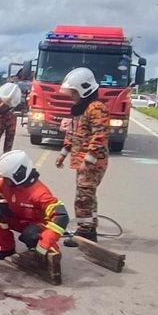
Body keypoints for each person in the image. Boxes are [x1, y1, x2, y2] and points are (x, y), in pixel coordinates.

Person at [0, 150, 68, 265]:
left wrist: (45, 243)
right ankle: (5, 249)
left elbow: (61, 216)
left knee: (30, 235)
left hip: (39, 225)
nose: (4, 180)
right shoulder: (8, 184)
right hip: (21, 219)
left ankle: (46, 253)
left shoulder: (39, 193)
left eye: (7, 178)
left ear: (18, 175)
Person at [53, 67, 110, 245]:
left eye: (74, 93)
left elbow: (100, 136)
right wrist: (63, 153)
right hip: (82, 161)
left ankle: (84, 233)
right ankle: (89, 229)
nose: (72, 96)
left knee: (83, 197)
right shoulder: (80, 109)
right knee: (88, 196)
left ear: (84, 90)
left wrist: (89, 159)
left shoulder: (96, 108)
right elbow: (73, 133)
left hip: (92, 162)